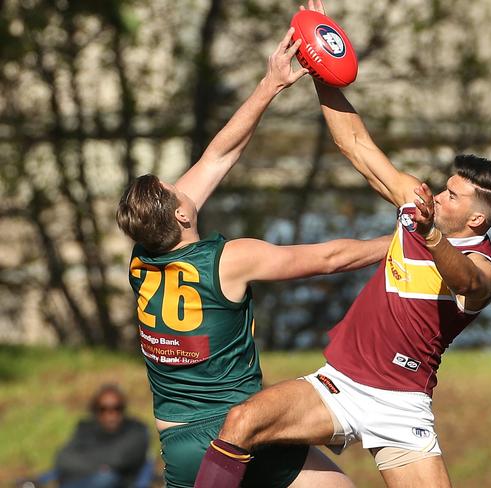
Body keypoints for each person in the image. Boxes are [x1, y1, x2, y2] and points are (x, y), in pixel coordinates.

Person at [195, 2, 491, 487]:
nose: (438, 193)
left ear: (476, 217)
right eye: (444, 186)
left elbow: (466, 280)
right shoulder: (418, 199)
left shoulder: (484, 266)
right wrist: (320, 59)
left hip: (401, 406)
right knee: (242, 422)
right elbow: (356, 144)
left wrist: (428, 233)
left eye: (452, 195)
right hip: (340, 384)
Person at [115, 26, 435, 488]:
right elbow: (329, 258)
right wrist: (403, 242)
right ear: (182, 214)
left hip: (177, 441)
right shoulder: (229, 260)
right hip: (240, 429)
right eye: (174, 188)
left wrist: (271, 84)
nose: (182, 184)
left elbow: (220, 155)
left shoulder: (142, 257)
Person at [54, 384, 150, 488]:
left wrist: (85, 458)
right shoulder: (85, 429)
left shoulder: (136, 430)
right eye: (103, 409)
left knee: (106, 478)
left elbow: (119, 458)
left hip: (119, 483)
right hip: (83, 479)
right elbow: (63, 458)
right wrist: (100, 466)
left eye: (116, 408)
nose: (111, 415)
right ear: (95, 410)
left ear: (123, 409)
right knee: (51, 474)